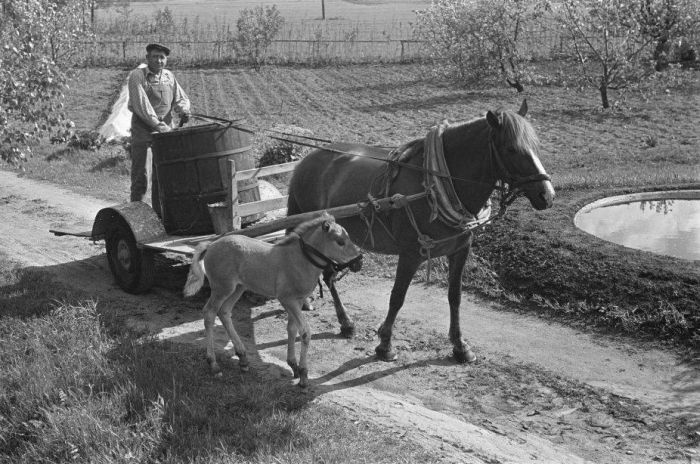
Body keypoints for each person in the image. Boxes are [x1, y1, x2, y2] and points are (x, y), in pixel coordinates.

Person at [127, 43, 191, 216]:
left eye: (162, 57)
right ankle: (136, 218)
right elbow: (143, 108)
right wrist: (161, 127)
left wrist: (183, 110)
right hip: (144, 134)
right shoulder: (137, 76)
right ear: (147, 58)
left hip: (164, 135)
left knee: (163, 177)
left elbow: (180, 98)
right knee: (142, 177)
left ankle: (161, 217)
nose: (158, 60)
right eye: (154, 56)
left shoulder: (169, 77)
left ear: (166, 60)